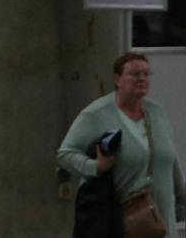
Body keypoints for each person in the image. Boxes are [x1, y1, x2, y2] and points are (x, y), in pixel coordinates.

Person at [58, 52, 185, 237]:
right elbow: (65, 154)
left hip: (162, 222)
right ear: (118, 79)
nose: (142, 79)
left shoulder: (156, 113)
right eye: (135, 74)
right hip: (124, 223)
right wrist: (95, 166)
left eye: (146, 74)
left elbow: (171, 160)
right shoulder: (96, 115)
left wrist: (181, 202)